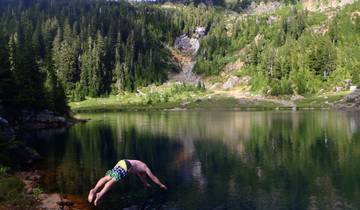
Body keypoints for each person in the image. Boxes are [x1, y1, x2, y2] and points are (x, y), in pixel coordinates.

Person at [88, 159, 167, 206]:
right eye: (145, 176)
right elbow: (153, 177)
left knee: (108, 177)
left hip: (121, 162)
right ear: (145, 174)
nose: (144, 176)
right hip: (126, 165)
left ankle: (94, 190)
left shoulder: (139, 169)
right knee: (113, 180)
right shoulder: (145, 167)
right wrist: (161, 185)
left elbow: (143, 179)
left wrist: (146, 184)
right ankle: (100, 194)